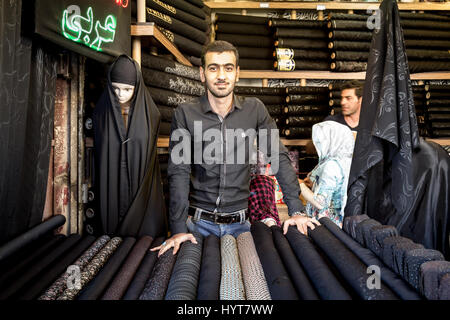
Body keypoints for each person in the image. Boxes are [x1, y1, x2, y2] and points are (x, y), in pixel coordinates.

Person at [152, 41, 319, 256]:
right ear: (202, 74)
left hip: (241, 226)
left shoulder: (255, 110)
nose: (221, 75)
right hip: (197, 226)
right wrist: (177, 229)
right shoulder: (185, 114)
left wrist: (296, 210)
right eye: (214, 68)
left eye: (228, 68)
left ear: (237, 73)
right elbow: (178, 172)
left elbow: (278, 157)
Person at [93, 55, 167, 237]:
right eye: (116, 88)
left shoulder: (151, 115)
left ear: (137, 86)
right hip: (112, 187)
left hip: (141, 186)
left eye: (127, 89)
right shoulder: (101, 114)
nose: (120, 94)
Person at [298, 121, 355, 228]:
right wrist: (313, 184)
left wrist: (299, 185)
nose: (316, 144)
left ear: (332, 140)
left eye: (320, 141)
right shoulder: (346, 162)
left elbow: (320, 203)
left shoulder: (331, 166)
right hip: (339, 223)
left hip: (326, 226)